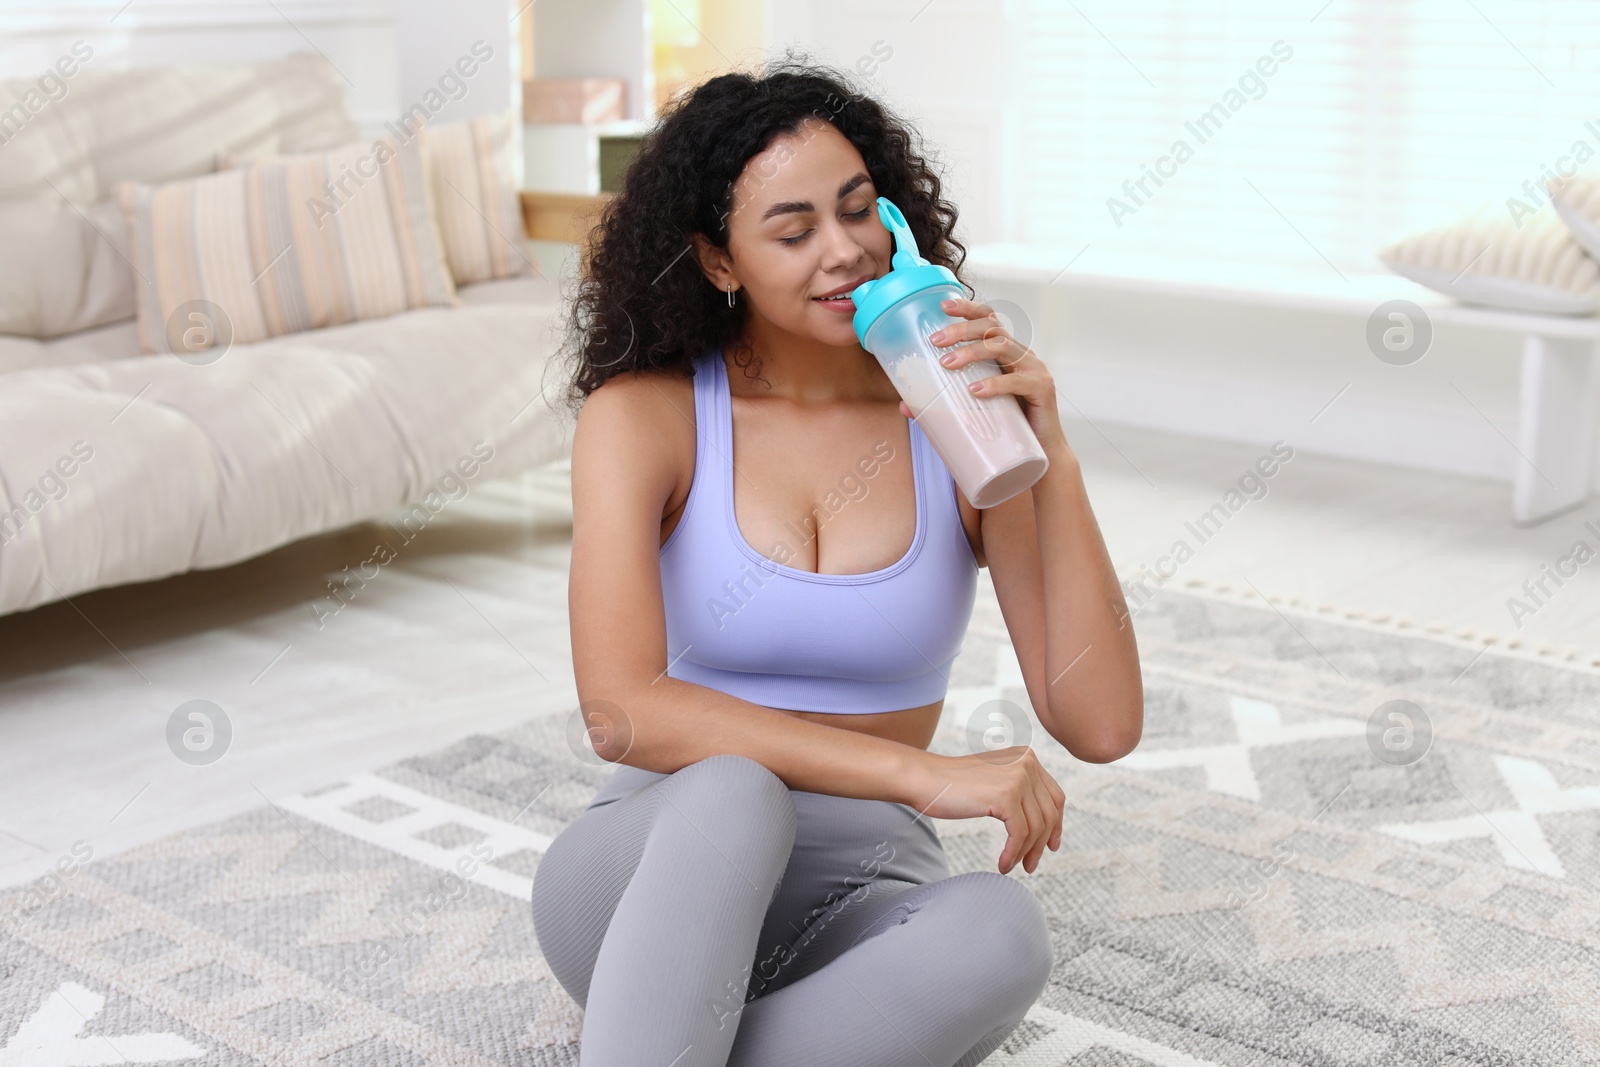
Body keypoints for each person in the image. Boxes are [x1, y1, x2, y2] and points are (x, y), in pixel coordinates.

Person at [532, 56, 1144, 1067]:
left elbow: (1101, 720)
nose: (845, 251)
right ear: (718, 261)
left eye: (859, 211)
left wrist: (1051, 451)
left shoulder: (953, 425)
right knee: (735, 790)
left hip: (855, 901)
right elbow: (620, 711)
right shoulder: (647, 416)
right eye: (793, 228)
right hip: (651, 873)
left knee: (1000, 928)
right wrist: (921, 773)